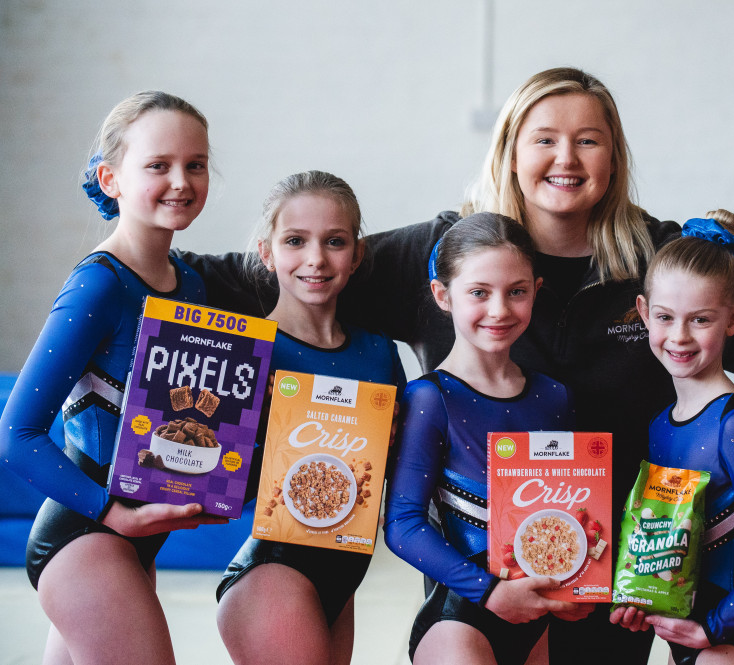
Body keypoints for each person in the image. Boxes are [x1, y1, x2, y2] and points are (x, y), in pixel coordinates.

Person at [177, 67, 734, 663]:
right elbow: (290, 268)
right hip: (492, 574)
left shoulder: (658, 259)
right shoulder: (445, 250)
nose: (567, 158)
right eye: (546, 139)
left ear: (612, 156)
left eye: (588, 139)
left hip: (633, 576)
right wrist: (137, 278)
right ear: (512, 149)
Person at [0, 91, 225, 665]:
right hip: (84, 538)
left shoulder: (189, 284)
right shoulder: (98, 286)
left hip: (134, 543)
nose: (181, 180)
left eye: (194, 164)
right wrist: (111, 512)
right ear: (111, 178)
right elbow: (16, 434)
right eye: (158, 165)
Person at [214, 171, 406, 665]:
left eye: (334, 241)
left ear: (357, 254)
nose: (316, 259)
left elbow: (403, 468)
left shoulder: (378, 352)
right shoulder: (246, 350)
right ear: (266, 252)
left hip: (343, 576)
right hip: (273, 575)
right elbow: (214, 487)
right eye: (295, 241)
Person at [383, 212, 592, 665]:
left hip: (538, 618)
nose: (499, 310)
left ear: (535, 291)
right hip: (463, 619)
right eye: (479, 292)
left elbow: (569, 512)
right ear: (443, 295)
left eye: (516, 292)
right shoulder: (430, 398)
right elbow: (402, 526)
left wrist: (582, 582)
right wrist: (490, 591)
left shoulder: (554, 397)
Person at [618, 212, 734, 664]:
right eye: (664, 317)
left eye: (700, 320)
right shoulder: (661, 423)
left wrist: (713, 627)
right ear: (643, 312)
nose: (679, 336)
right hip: (687, 641)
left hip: (730, 645)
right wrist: (644, 598)